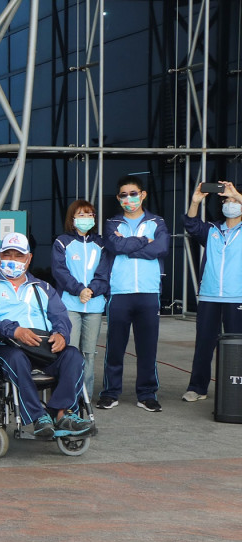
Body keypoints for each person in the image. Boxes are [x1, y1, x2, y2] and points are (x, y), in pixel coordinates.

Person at [0, 233, 94, 438]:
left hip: (42, 346)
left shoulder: (42, 287)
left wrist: (61, 334)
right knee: (16, 358)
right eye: (7, 255)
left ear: (28, 258)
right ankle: (38, 417)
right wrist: (15, 331)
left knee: (73, 355)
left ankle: (63, 413)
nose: (12, 260)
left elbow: (60, 316)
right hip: (5, 345)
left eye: (18, 256)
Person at [99, 175, 170, 412]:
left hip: (149, 292)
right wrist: (142, 242)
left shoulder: (157, 222)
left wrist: (129, 247)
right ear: (118, 198)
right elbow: (115, 246)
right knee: (115, 347)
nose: (128, 198)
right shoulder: (111, 223)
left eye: (133, 193)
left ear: (143, 195)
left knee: (148, 348)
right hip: (119, 292)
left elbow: (160, 248)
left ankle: (147, 394)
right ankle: (110, 392)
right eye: (123, 195)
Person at [182, 181, 242, 402]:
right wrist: (196, 201)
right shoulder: (212, 230)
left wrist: (237, 193)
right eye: (227, 200)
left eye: (235, 201)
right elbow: (191, 224)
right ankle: (197, 388)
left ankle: (237, 389)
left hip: (237, 296)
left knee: (238, 346)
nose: (230, 203)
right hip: (209, 295)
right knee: (204, 344)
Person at [52, 200, 110, 396]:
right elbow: (60, 271)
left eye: (90, 215)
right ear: (72, 218)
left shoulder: (100, 244)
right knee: (70, 352)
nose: (86, 219)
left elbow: (104, 274)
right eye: (81, 215)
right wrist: (79, 290)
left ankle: (86, 397)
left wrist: (91, 291)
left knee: (89, 355)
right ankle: (67, 396)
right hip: (69, 305)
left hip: (94, 306)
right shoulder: (62, 242)